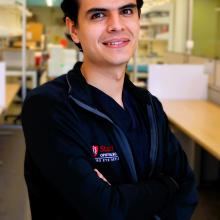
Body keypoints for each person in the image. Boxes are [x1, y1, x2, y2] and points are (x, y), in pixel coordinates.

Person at [21, 0, 198, 219]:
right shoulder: (48, 107)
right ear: (74, 29)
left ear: (138, 20)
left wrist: (120, 197)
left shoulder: (149, 106)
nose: (116, 25)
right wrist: (167, 186)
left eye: (126, 11)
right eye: (98, 15)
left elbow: (187, 189)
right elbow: (104, 210)